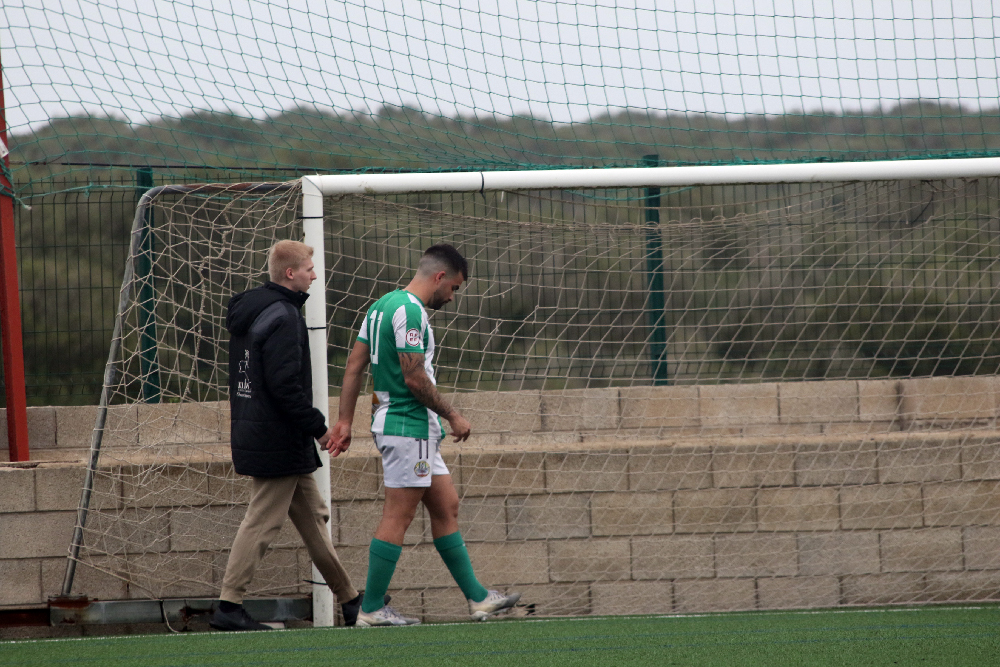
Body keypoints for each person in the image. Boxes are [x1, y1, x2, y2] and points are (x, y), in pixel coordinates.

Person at [331, 243, 521, 626]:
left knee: (446, 505)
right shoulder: (410, 312)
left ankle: (479, 598)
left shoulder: (381, 305)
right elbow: (414, 376)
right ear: (440, 277)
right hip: (407, 425)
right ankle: (370, 609)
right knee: (398, 516)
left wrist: (345, 422)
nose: (451, 297)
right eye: (453, 288)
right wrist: (454, 416)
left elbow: (354, 366)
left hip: (410, 427)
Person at [210, 239, 366, 631]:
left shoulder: (257, 310)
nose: (315, 274)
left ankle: (350, 601)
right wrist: (319, 428)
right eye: (310, 268)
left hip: (268, 433)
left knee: (313, 518)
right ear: (290, 273)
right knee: (262, 522)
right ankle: (229, 606)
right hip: (275, 437)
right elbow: (283, 387)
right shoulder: (283, 316)